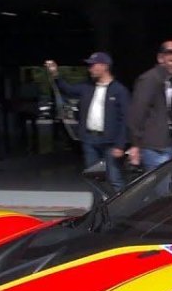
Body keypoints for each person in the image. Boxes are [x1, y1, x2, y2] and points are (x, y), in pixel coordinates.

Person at [45, 52, 131, 190]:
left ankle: (122, 203)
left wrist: (120, 145)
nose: (90, 69)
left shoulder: (119, 90)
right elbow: (67, 89)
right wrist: (55, 74)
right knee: (93, 177)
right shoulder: (87, 87)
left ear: (104, 66)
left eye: (93, 65)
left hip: (110, 142)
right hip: (89, 140)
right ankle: (98, 202)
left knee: (115, 178)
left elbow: (125, 119)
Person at [128, 40, 172, 170]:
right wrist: (135, 144)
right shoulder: (149, 79)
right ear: (160, 58)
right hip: (153, 146)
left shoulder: (170, 81)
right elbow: (137, 113)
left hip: (168, 143)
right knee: (159, 182)